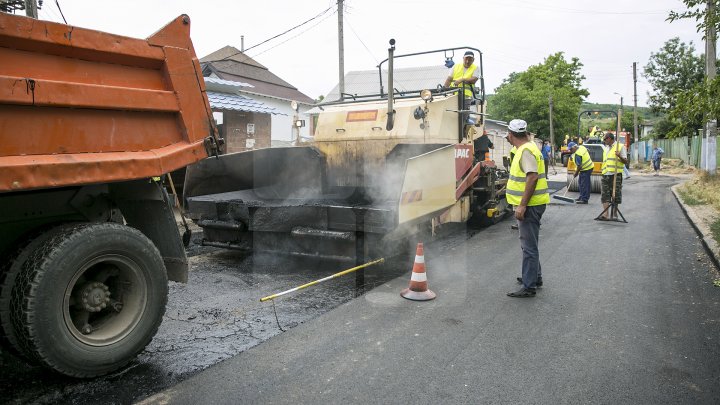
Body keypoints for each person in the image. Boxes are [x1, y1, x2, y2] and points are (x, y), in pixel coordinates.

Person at [504, 119, 549, 298]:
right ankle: (535, 277)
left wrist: (522, 205)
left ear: (510, 134)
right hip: (534, 203)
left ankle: (529, 286)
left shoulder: (526, 151)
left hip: (530, 205)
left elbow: (532, 177)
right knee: (530, 244)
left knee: (528, 246)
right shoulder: (528, 148)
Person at [599, 133, 628, 220]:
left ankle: (615, 214)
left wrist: (619, 156)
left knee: (616, 195)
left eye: (605, 139)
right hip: (605, 174)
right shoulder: (606, 148)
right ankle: (605, 214)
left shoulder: (620, 146)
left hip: (615, 175)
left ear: (610, 139)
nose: (604, 141)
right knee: (605, 195)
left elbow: (625, 161)